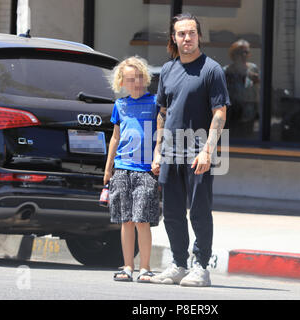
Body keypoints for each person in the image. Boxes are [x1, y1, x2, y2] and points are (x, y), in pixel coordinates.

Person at [150, 13, 230, 287]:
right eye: (181, 33)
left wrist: (208, 150)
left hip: (198, 152)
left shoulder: (212, 70)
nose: (187, 38)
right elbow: (163, 112)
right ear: (174, 37)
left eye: (191, 33)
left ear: (199, 36)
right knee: (171, 212)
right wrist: (158, 150)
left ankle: (202, 267)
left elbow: (219, 113)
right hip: (170, 152)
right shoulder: (167, 70)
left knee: (199, 211)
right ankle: (179, 264)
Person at [104, 56, 160, 283]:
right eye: (129, 79)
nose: (135, 82)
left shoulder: (155, 102)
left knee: (142, 220)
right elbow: (115, 138)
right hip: (122, 168)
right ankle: (128, 265)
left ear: (145, 77)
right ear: (122, 82)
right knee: (126, 220)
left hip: (146, 170)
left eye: (138, 77)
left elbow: (161, 135)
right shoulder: (120, 106)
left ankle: (145, 267)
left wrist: (159, 158)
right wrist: (108, 169)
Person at [223, 39, 260, 138]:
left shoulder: (253, 68)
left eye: (246, 52)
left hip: (249, 111)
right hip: (233, 112)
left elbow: (258, 88)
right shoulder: (226, 71)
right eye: (241, 52)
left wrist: (256, 80)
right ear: (234, 54)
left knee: (248, 137)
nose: (244, 55)